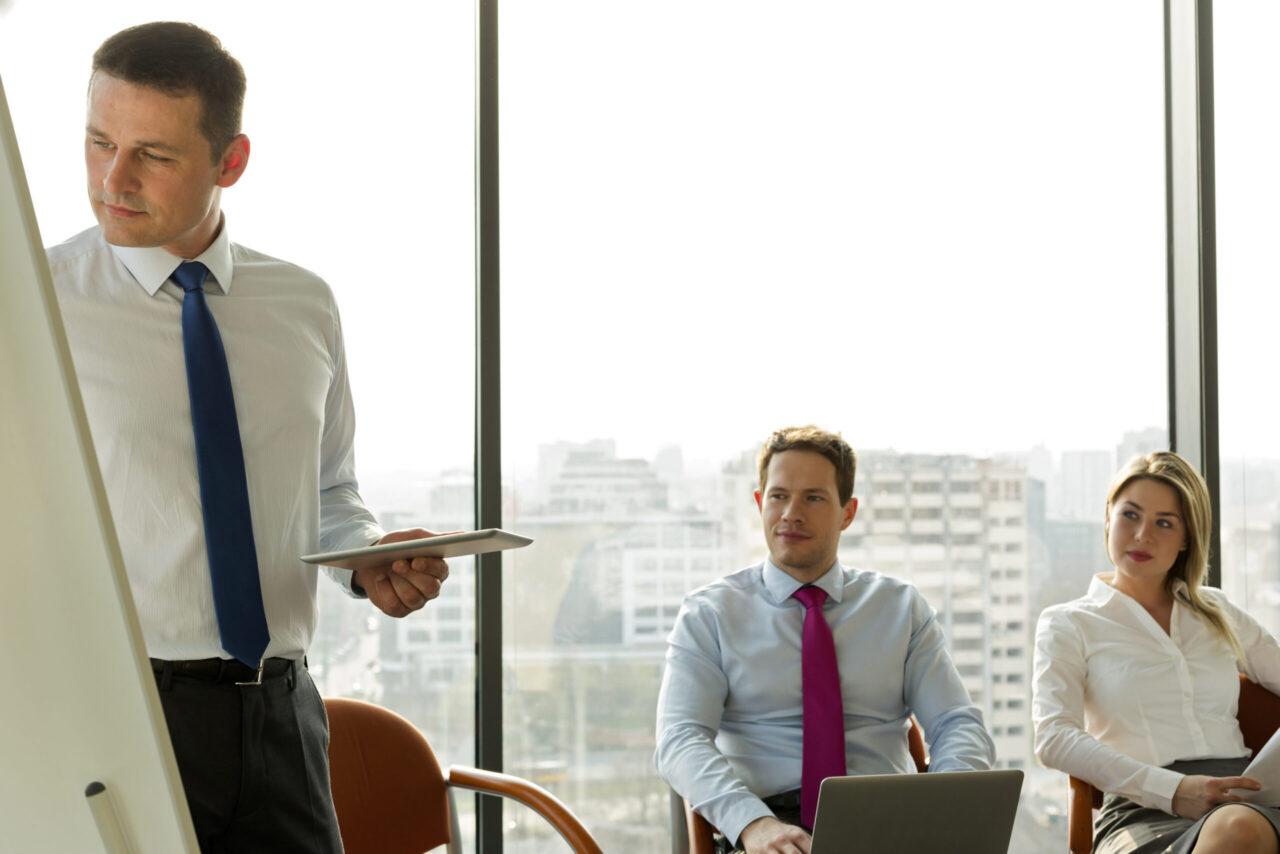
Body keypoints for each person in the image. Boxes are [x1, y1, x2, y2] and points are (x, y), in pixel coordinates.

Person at [46, 22, 447, 852]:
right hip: (116, 714)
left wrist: (366, 559)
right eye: (97, 142)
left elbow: (331, 491)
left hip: (282, 712)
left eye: (151, 154)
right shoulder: (33, 304)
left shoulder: (303, 304)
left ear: (231, 162)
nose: (111, 180)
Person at [655, 425, 995, 854]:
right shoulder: (709, 614)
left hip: (888, 819)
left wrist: (941, 808)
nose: (791, 513)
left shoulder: (900, 607)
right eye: (778, 496)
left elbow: (957, 724)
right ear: (760, 504)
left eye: (813, 498)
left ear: (847, 513)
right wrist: (752, 823)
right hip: (768, 825)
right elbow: (680, 738)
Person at [1033, 451, 1280, 854]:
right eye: (1130, 515)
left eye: (1164, 522)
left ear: (1186, 538)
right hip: (1140, 810)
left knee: (1238, 826)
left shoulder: (1218, 612)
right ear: (1108, 517)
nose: (1142, 534)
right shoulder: (1068, 623)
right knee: (1237, 832)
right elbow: (1053, 737)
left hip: (1244, 800)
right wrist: (1174, 789)